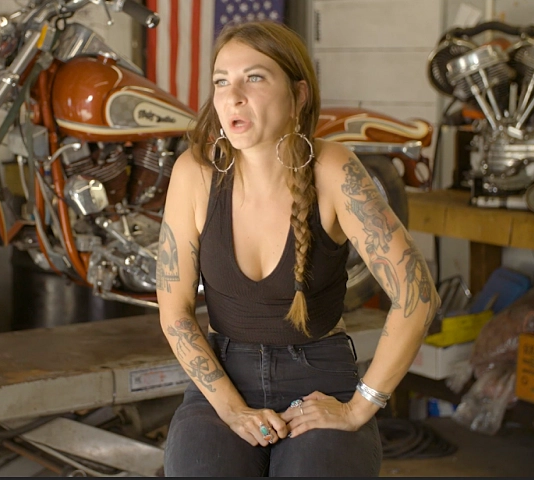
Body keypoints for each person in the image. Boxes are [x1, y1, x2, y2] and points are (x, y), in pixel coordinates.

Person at [155, 20, 440, 477]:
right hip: (225, 375)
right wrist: (231, 410)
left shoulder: (334, 169)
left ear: (299, 94)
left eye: (255, 77)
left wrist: (359, 406)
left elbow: (418, 295)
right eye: (221, 81)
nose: (233, 96)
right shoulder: (195, 173)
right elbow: (175, 314)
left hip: (321, 378)